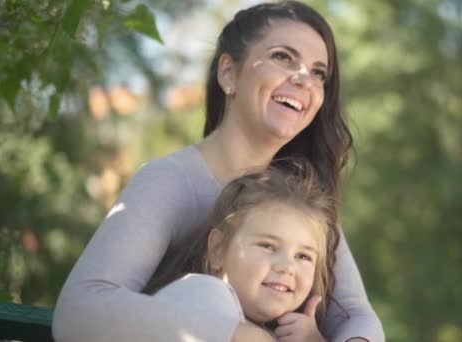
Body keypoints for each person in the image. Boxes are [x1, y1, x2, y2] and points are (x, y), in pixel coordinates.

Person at [52, 1, 384, 341]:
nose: (304, 80)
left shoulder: (300, 201)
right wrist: (242, 336)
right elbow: (78, 311)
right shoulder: (168, 181)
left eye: (318, 73)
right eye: (283, 57)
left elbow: (356, 315)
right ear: (228, 73)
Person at [143, 162, 337, 341]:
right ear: (218, 250)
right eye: (268, 246)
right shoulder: (202, 293)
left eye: (303, 256)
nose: (287, 267)